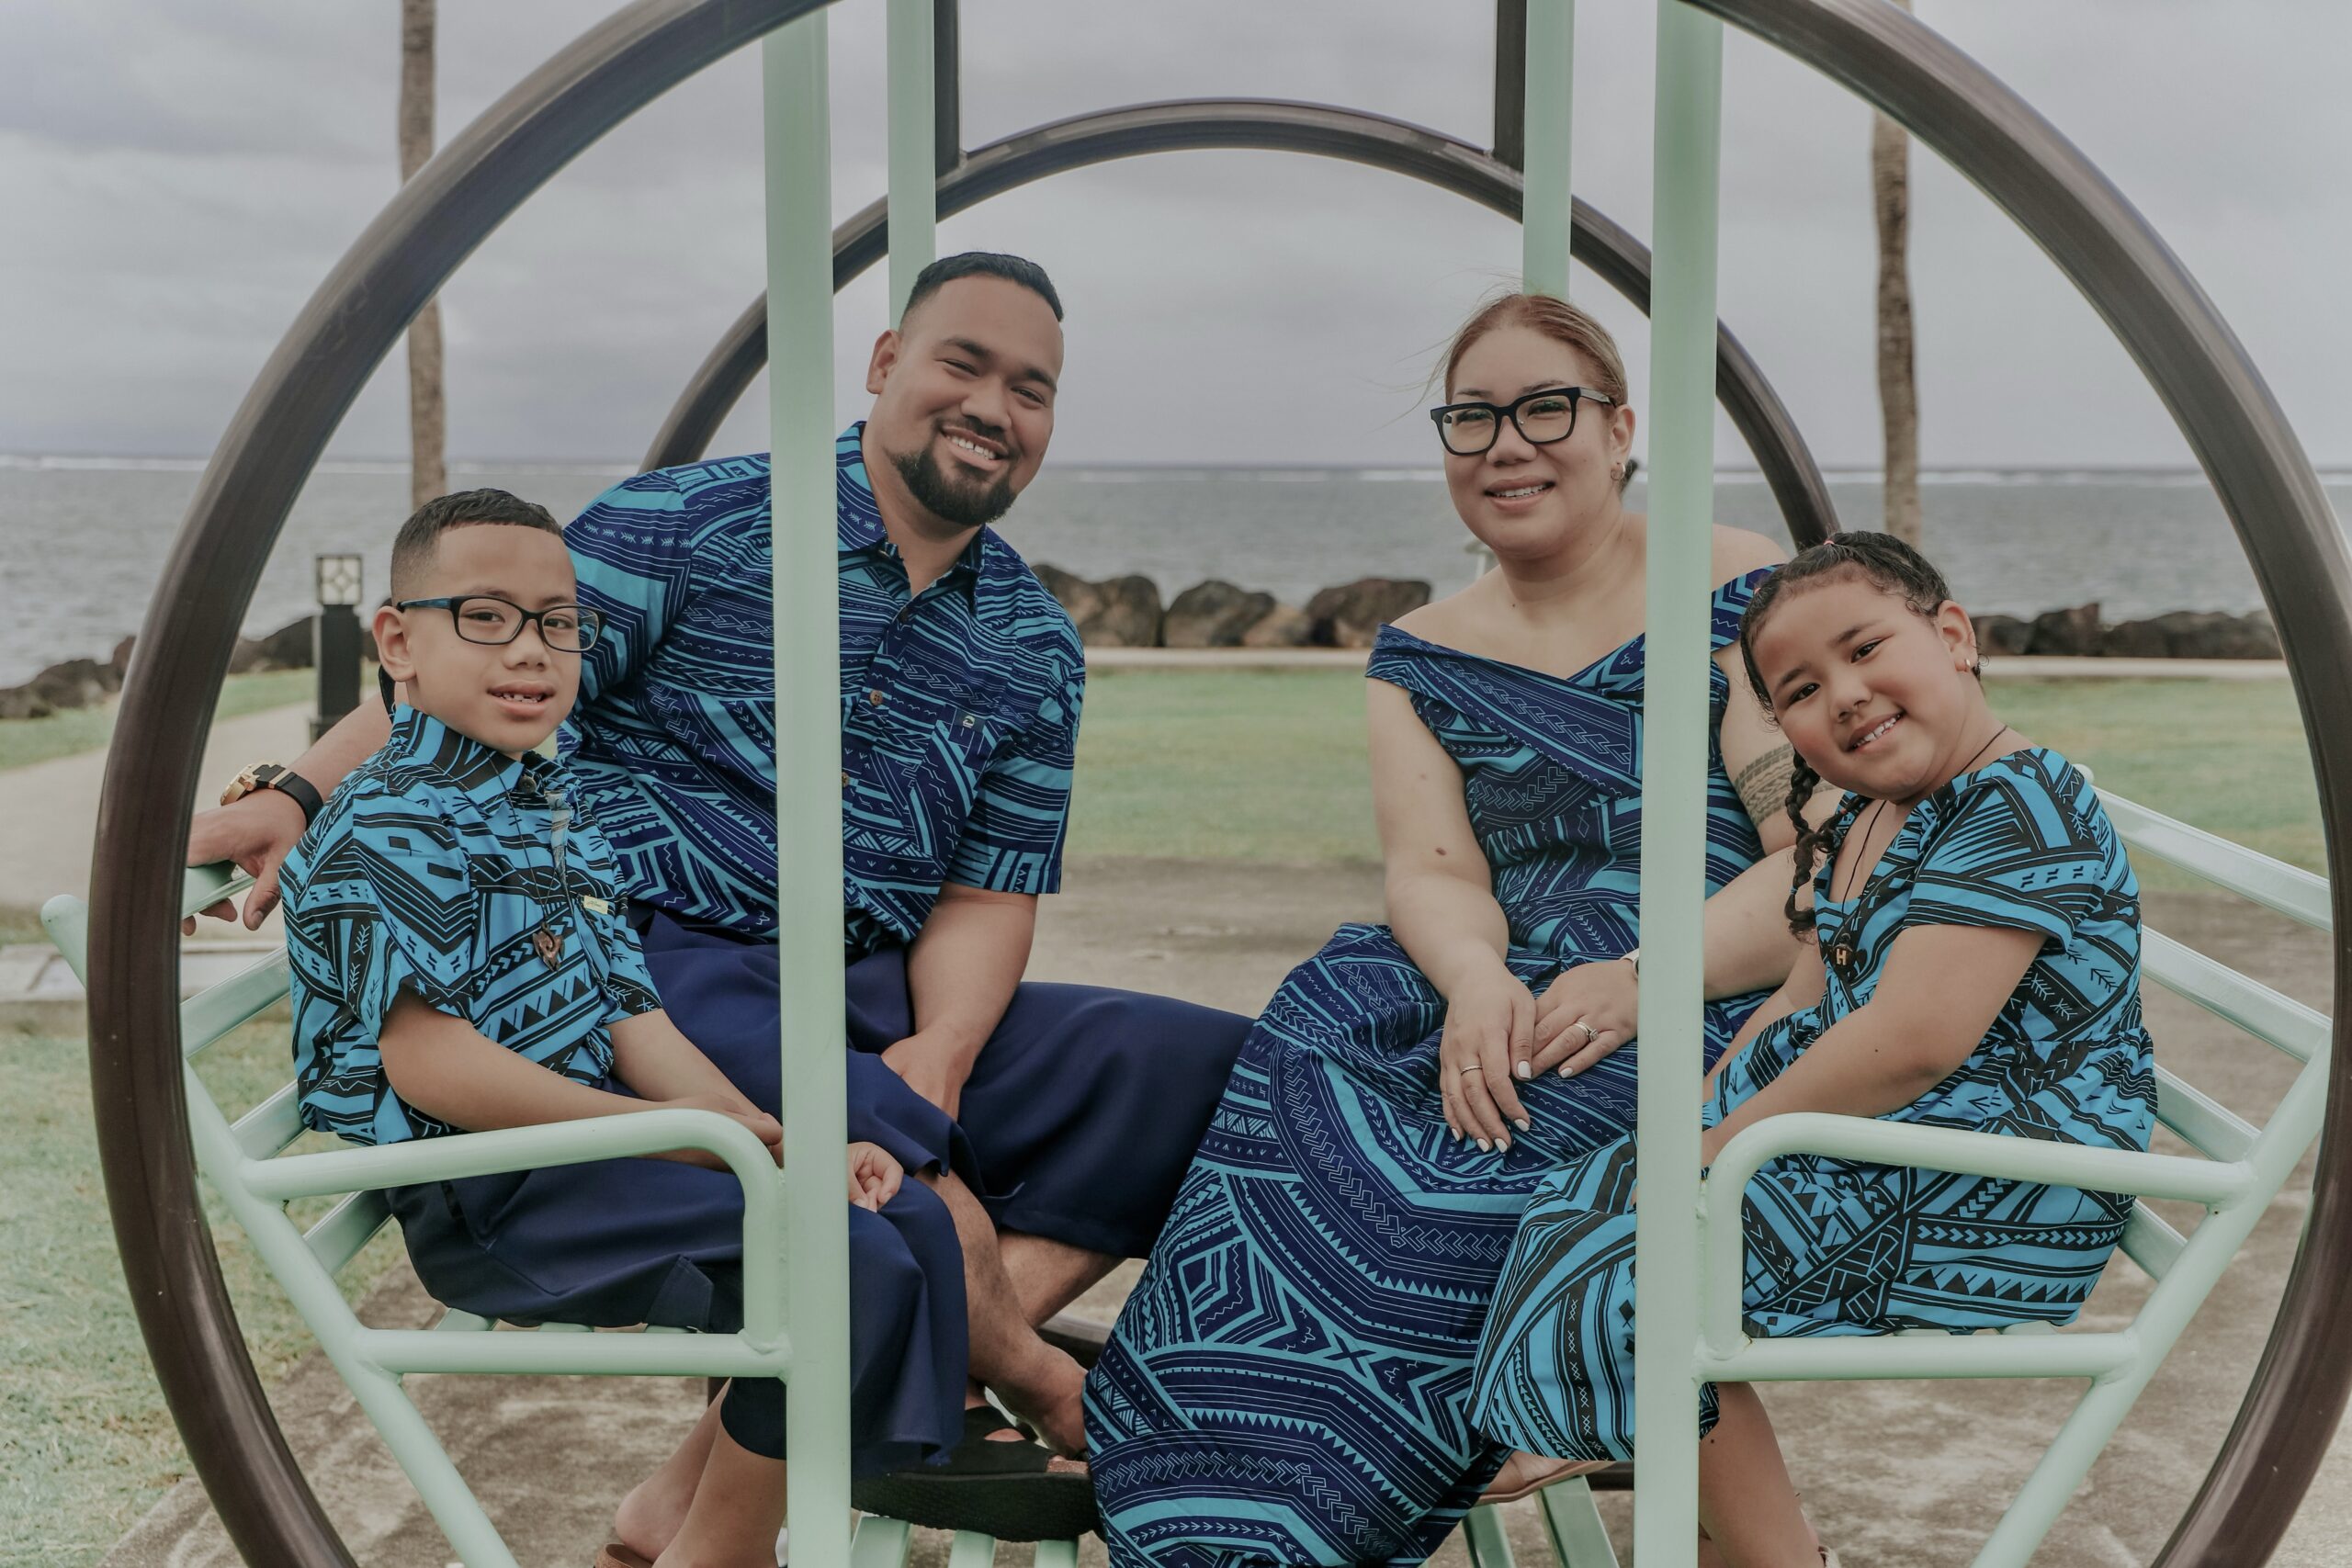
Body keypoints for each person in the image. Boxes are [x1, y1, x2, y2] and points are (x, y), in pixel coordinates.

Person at [187, 254, 1254, 1558]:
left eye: (1030, 389)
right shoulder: (692, 524)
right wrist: (300, 790)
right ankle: (1012, 1383)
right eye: (962, 363)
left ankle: (762, 1450)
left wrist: (939, 1048)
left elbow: (988, 890)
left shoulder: (1033, 643)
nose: (993, 406)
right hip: (670, 953)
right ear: (885, 366)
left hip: (875, 978)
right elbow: (476, 664)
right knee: (904, 1188)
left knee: (1212, 1075)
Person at [1083, 293, 1827, 1567]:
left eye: (1545, 408)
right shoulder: (1420, 655)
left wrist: (1647, 975)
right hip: (1503, 982)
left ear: (1619, 429)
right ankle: (1201, 1502)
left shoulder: (1732, 583)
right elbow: (1431, 871)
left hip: (1707, 981)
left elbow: (1810, 855)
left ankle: (1320, 1515)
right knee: (1308, 1115)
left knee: (1437, 1204)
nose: (1506, 444)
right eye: (1472, 417)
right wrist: (1477, 979)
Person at [278, 490, 941, 1568]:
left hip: (585, 1157)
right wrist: (675, 1137)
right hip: (494, 1191)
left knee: (897, 1216)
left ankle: (686, 1522)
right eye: (484, 616)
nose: (529, 650)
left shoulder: (543, 803)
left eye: (558, 622)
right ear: (396, 642)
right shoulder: (388, 820)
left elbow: (630, 1006)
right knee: (842, 1263)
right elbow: (433, 1066)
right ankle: (718, 1552)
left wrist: (766, 1138)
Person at [1470, 533, 2154, 1568]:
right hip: (1893, 1144)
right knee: (1588, 1194)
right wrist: (1697, 1121)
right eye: (1798, 690)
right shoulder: (1870, 819)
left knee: (1654, 1287)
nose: (1844, 694)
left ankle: (1768, 1548)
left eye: (1866, 648)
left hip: (2004, 1181)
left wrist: (1720, 1153)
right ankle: (1685, 1508)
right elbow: (1800, 1001)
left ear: (1954, 636)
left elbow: (1910, 1043)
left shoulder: (2017, 803)